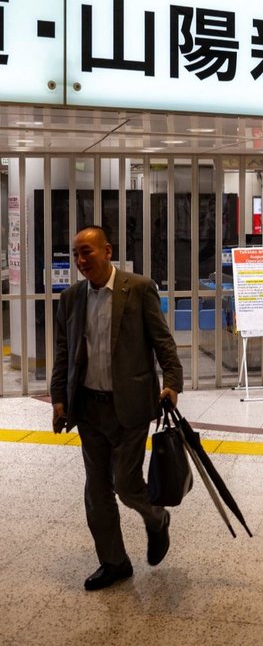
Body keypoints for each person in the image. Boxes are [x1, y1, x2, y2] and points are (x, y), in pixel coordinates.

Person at [50, 225, 184, 590]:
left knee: (126, 485)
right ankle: (114, 561)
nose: (80, 260)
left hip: (132, 404)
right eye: (75, 253)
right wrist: (59, 399)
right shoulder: (71, 299)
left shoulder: (137, 289)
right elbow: (64, 353)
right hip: (89, 408)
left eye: (86, 252)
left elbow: (163, 341)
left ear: (107, 251)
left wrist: (172, 383)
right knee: (96, 492)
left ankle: (157, 519)